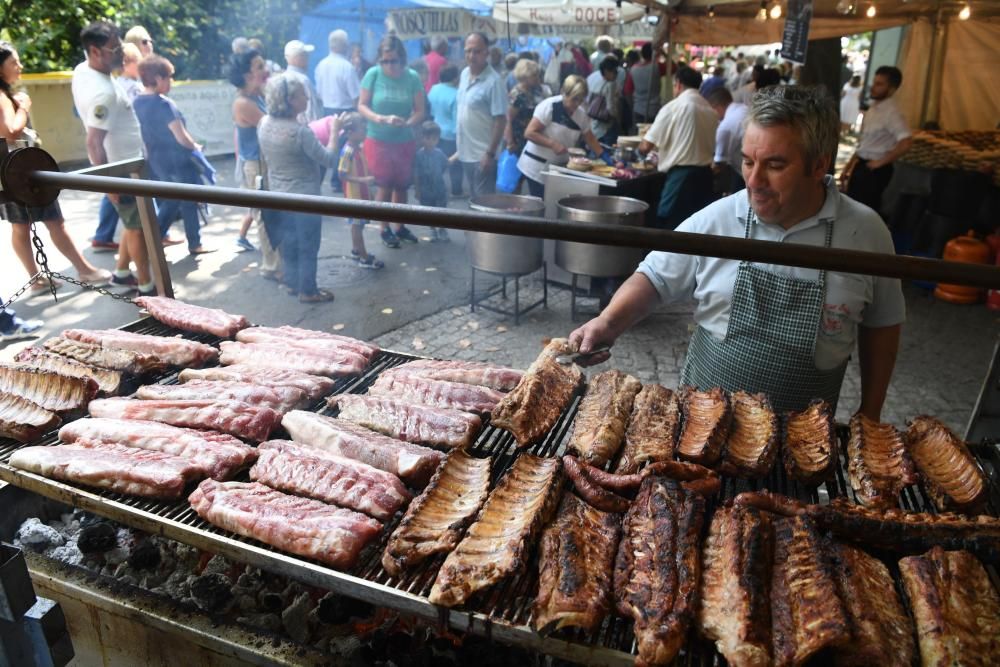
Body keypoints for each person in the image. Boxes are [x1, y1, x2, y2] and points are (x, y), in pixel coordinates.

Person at [570, 85, 906, 419]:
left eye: (775, 165)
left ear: (819, 166)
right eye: (747, 161)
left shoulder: (867, 233)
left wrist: (871, 409)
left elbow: (883, 323)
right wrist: (607, 323)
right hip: (701, 430)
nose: (754, 181)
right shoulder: (717, 219)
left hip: (803, 444)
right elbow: (655, 278)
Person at [1, 40, 111, 292]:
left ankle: (38, 278)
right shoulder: (3, 97)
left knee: (26, 225)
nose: (19, 66)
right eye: (13, 62)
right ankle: (83, 270)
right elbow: (9, 133)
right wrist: (24, 108)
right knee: (51, 220)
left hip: (14, 170)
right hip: (21, 171)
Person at [71, 21, 154, 296]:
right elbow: (93, 141)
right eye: (114, 48)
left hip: (127, 165)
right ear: (95, 51)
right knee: (138, 228)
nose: (121, 52)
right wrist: (109, 184)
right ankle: (147, 286)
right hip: (124, 169)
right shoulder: (102, 92)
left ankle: (120, 274)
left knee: (132, 226)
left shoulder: (84, 70)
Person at [258, 74, 340, 303]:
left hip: (278, 196)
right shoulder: (300, 132)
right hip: (306, 198)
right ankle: (308, 291)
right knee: (308, 245)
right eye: (303, 94)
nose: (306, 97)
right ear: (291, 99)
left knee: (290, 242)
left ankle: (292, 283)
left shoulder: (264, 124)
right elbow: (329, 159)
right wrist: (334, 132)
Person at [133, 55, 212, 256]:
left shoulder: (137, 102)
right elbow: (181, 136)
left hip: (155, 160)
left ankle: (153, 240)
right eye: (169, 77)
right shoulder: (163, 104)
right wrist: (196, 147)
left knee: (171, 200)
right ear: (157, 78)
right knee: (186, 200)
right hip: (176, 160)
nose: (171, 82)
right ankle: (191, 242)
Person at [356, 36, 424, 248]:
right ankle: (384, 228)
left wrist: (408, 123)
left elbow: (421, 110)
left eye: (393, 61)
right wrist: (379, 118)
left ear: (402, 60)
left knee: (402, 185)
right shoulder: (373, 74)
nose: (389, 66)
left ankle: (399, 225)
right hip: (378, 138)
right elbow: (362, 105)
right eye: (384, 61)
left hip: (404, 139)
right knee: (384, 185)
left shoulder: (412, 77)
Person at [639, 65, 718, 229]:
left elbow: (646, 146)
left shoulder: (674, 107)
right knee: (699, 228)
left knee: (670, 228)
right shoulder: (710, 111)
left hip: (681, 179)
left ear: (678, 84)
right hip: (706, 177)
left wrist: (640, 146)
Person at [517, 75, 608, 198]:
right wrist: (552, 144)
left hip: (558, 169)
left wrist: (605, 158)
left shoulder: (581, 115)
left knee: (552, 206)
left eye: (581, 100)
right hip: (535, 166)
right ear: (564, 93)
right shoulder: (549, 106)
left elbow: (590, 138)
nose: (577, 104)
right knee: (539, 204)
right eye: (574, 99)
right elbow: (529, 133)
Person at [840, 66, 912, 217]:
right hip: (861, 163)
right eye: (874, 82)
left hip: (875, 170)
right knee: (851, 209)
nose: (873, 87)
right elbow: (864, 143)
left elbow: (906, 142)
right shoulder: (873, 108)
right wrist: (849, 166)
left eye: (880, 84)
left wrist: (879, 163)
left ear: (891, 89)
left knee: (865, 213)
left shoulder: (892, 113)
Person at [228, 48, 275, 258]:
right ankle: (273, 266)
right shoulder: (243, 103)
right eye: (260, 67)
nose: (266, 70)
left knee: (271, 215)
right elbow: (274, 127)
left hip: (264, 163)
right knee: (265, 218)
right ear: (247, 75)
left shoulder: (258, 96)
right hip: (257, 166)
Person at [456, 32, 506, 198]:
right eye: (468, 51)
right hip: (465, 152)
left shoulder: (494, 81)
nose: (471, 56)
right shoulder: (464, 74)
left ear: (486, 53)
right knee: (473, 199)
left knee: (484, 205)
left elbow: (500, 120)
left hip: (482, 155)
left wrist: (490, 154)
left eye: (477, 51)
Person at [337, 112, 385, 269]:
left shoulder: (358, 148)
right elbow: (342, 174)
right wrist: (363, 180)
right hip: (354, 195)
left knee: (358, 224)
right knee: (357, 225)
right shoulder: (348, 151)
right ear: (350, 133)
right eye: (362, 130)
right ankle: (364, 257)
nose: (365, 133)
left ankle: (357, 250)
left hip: (362, 193)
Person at [316, 30, 361, 193]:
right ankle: (338, 179)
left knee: (329, 145)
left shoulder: (321, 65)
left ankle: (331, 179)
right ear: (344, 45)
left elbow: (319, 92)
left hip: (327, 109)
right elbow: (356, 95)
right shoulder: (347, 67)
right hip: (344, 111)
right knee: (343, 146)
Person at [427, 64, 463, 197]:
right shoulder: (456, 94)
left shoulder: (434, 88)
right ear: (454, 78)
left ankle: (433, 186)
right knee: (455, 164)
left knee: (437, 162)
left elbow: (431, 110)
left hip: (436, 131)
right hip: (451, 136)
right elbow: (457, 119)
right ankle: (456, 190)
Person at [504, 59, 547, 167]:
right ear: (525, 77)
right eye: (534, 75)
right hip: (519, 138)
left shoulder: (537, 90)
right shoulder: (517, 95)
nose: (538, 78)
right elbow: (508, 119)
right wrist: (510, 142)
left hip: (534, 135)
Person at [705, 87, 747, 195]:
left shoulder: (725, 127)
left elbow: (720, 164)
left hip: (746, 175)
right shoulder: (744, 108)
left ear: (715, 107)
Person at [413, 121, 451, 241]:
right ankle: (432, 229)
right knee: (428, 211)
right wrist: (417, 189)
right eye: (428, 138)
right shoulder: (418, 155)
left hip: (439, 189)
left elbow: (445, 164)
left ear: (438, 139)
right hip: (425, 190)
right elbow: (416, 174)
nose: (431, 142)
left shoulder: (439, 153)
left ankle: (442, 229)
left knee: (441, 210)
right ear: (422, 138)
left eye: (434, 139)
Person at [623, 43, 663, 127]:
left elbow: (627, 91)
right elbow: (674, 67)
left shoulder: (634, 69)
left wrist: (633, 107)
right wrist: (663, 53)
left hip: (638, 109)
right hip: (655, 109)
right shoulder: (658, 67)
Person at [282, 40, 322, 124]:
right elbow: (312, 114)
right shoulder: (304, 80)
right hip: (304, 130)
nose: (308, 58)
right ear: (298, 58)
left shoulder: (282, 78)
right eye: (305, 55)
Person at [585, 55, 620, 145]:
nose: (616, 73)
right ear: (606, 71)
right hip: (606, 126)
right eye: (614, 71)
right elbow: (610, 107)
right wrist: (616, 115)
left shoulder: (593, 77)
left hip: (593, 123)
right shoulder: (611, 84)